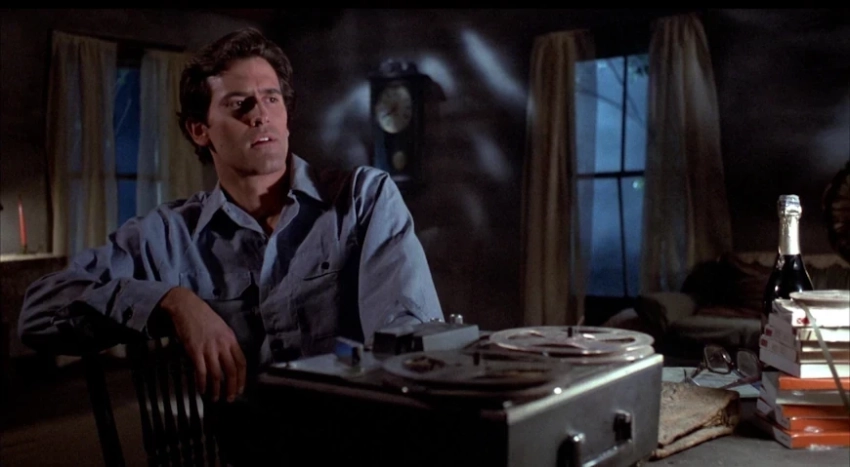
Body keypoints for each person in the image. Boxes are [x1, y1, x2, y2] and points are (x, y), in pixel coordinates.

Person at [18, 27, 444, 464]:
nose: (260, 114)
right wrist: (172, 301)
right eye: (239, 103)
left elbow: (410, 342)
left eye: (271, 98)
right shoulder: (170, 234)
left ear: (286, 115)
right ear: (200, 130)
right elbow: (39, 311)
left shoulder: (361, 199)